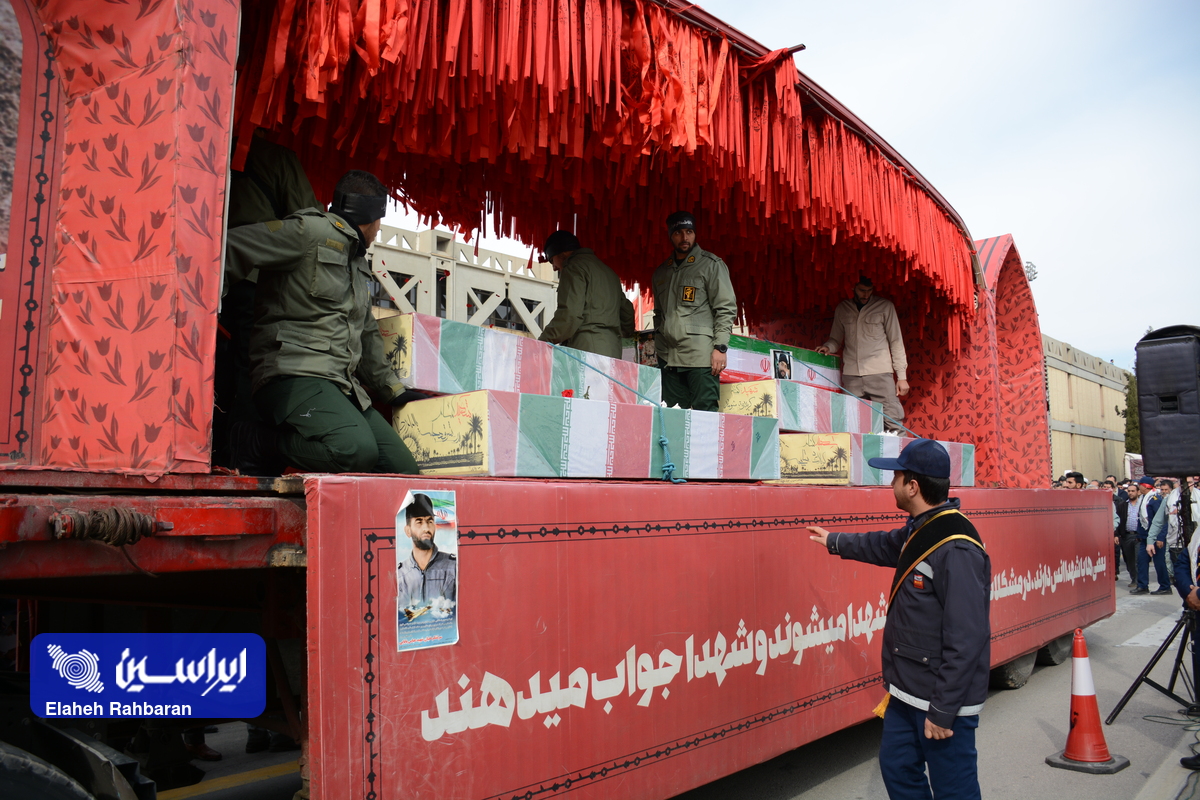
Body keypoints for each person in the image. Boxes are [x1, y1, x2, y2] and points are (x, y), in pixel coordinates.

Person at [808, 439, 990, 799]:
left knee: (954, 788)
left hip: (939, 698)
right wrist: (835, 541)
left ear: (913, 486)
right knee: (898, 770)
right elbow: (883, 545)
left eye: (896, 475)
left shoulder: (956, 547)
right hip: (907, 690)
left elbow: (967, 638)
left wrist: (942, 710)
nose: (890, 482)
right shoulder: (922, 527)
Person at [224, 170, 419, 474]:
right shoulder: (307, 232)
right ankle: (259, 442)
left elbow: (366, 332)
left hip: (340, 384)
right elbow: (233, 245)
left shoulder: (356, 262)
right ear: (371, 217)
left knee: (402, 469)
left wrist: (393, 390)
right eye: (380, 221)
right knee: (354, 451)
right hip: (291, 374)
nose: (378, 231)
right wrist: (199, 307)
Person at [650, 211, 737, 411]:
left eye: (689, 232)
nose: (685, 237)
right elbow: (659, 314)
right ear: (670, 235)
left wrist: (720, 348)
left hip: (701, 357)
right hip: (668, 358)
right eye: (679, 232)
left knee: (705, 415)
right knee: (673, 418)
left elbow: (725, 309)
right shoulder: (661, 272)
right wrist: (659, 350)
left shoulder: (711, 265)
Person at [816, 276, 909, 433]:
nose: (866, 294)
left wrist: (902, 377)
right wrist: (828, 347)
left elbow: (896, 341)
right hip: (852, 375)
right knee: (852, 422)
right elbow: (835, 339)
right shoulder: (843, 308)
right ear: (853, 288)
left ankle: (900, 456)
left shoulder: (885, 306)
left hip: (880, 373)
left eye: (869, 290)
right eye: (862, 290)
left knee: (893, 421)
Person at [537, 231, 635, 359]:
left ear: (562, 254)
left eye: (552, 261)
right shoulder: (608, 272)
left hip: (586, 350)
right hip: (613, 351)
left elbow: (569, 315)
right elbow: (627, 312)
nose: (554, 268)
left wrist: (541, 342)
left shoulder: (573, 268)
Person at [397, 493, 457, 610]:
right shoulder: (400, 574)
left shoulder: (453, 566)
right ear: (408, 531)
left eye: (430, 521)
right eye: (419, 522)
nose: (426, 528)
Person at [1132, 476, 1170, 595]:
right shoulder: (1144, 498)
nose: (1139, 487)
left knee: (1159, 563)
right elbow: (1141, 518)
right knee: (1141, 561)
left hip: (1155, 537)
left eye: (1140, 485)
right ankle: (1142, 585)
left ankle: (1165, 586)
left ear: (1145, 486)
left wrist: (1160, 537)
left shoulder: (1155, 499)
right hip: (1144, 537)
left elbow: (1161, 520)